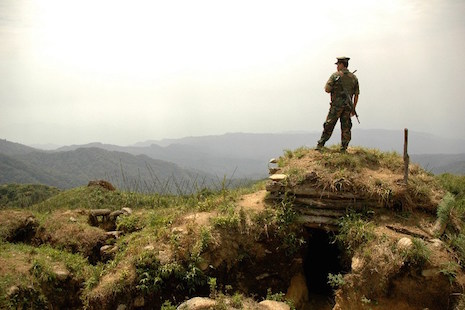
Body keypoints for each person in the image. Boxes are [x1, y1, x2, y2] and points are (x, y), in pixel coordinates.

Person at [316, 57, 359, 152]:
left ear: (341, 65)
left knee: (329, 125)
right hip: (348, 107)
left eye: (338, 64)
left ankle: (321, 144)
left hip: (336, 106)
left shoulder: (335, 76)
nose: (337, 67)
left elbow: (327, 89)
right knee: (346, 127)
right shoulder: (354, 78)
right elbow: (356, 95)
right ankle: (343, 148)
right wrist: (353, 108)